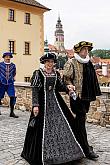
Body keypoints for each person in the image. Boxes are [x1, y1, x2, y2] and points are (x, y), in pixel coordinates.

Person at [21, 53, 84, 165]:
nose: (50, 64)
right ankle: (44, 155)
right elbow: (35, 90)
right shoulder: (38, 73)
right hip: (42, 102)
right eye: (47, 62)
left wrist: (68, 89)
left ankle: (66, 153)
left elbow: (60, 86)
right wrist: (35, 105)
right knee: (40, 128)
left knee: (63, 124)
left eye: (52, 62)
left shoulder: (56, 73)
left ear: (54, 63)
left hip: (55, 101)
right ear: (44, 62)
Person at [63, 41, 101, 160]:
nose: (86, 51)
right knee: (81, 119)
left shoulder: (88, 62)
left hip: (87, 96)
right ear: (78, 50)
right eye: (84, 49)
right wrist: (70, 86)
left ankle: (74, 142)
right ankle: (85, 149)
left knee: (79, 121)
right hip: (77, 96)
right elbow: (66, 78)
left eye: (87, 50)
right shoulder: (72, 62)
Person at [0, 52, 18, 118]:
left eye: (9, 57)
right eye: (6, 57)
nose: (8, 58)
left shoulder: (13, 65)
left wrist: (11, 78)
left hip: (10, 83)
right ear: (4, 57)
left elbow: (14, 73)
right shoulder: (0, 65)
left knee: (12, 96)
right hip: (1, 83)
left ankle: (12, 112)